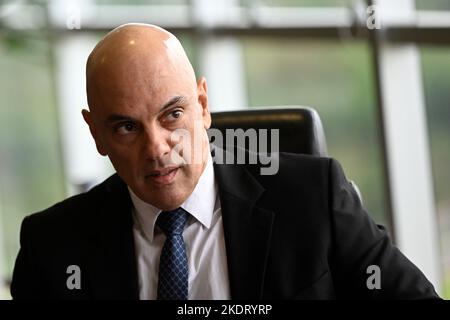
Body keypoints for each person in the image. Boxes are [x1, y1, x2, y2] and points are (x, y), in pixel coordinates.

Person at [10, 23, 439, 300]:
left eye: (172, 115)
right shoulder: (52, 244)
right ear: (96, 133)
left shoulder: (314, 199)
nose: (157, 148)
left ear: (202, 104)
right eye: (126, 128)